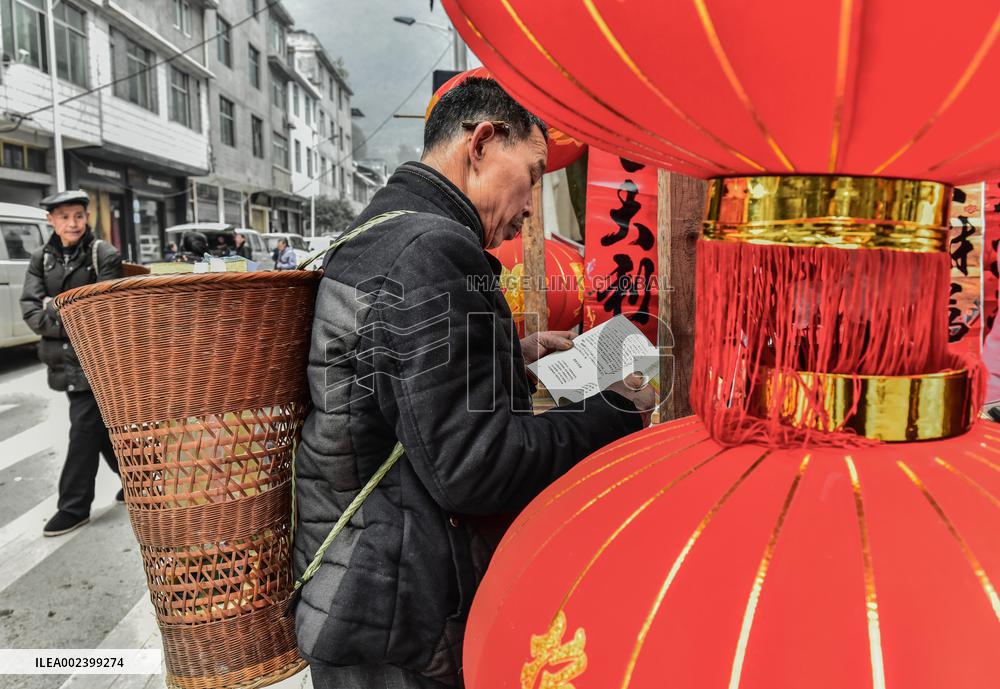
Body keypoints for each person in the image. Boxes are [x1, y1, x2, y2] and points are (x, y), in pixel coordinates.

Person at [293, 77, 655, 688]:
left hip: (360, 584)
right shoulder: (433, 250)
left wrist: (512, 355)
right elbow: (473, 467)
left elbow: (396, 381)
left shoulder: (385, 230)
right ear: (482, 142)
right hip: (398, 605)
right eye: (534, 173)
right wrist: (614, 412)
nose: (530, 206)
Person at [19, 190, 124, 537]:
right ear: (51, 220)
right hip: (63, 361)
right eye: (64, 217)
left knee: (82, 429)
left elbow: (103, 312)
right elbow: (32, 310)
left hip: (97, 361)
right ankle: (139, 482)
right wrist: (63, 313)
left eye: (78, 215)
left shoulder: (102, 254)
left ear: (87, 217)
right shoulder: (40, 259)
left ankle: (73, 507)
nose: (72, 223)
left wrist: (56, 307)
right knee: (98, 428)